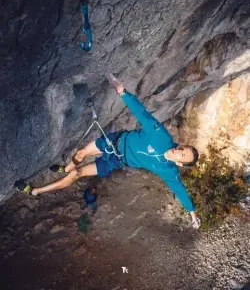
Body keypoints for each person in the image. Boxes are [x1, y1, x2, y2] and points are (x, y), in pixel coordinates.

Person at [15, 75, 201, 229]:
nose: (180, 150)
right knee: (81, 153)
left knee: (78, 173)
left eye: (182, 155)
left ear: (179, 163)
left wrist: (193, 215)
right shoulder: (161, 136)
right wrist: (123, 92)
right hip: (114, 141)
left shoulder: (170, 171)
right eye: (183, 148)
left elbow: (180, 190)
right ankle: (65, 168)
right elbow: (142, 114)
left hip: (116, 161)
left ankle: (35, 191)